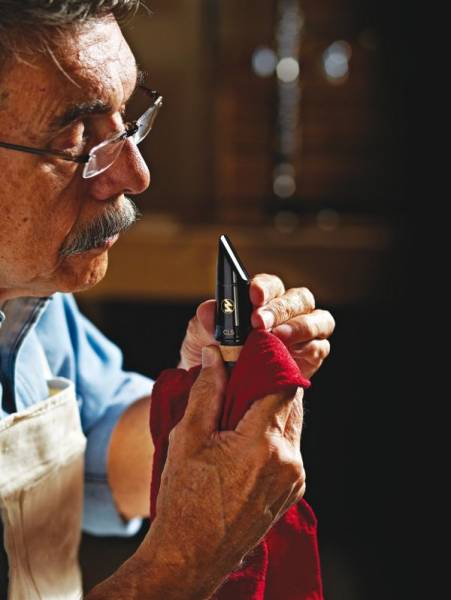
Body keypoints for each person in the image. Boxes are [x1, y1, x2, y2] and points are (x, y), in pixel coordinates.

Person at [0, 1, 335, 598]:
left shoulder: (30, 291)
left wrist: (209, 398)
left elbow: (94, 452)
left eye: (126, 120)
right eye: (77, 137)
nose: (134, 175)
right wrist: (183, 561)